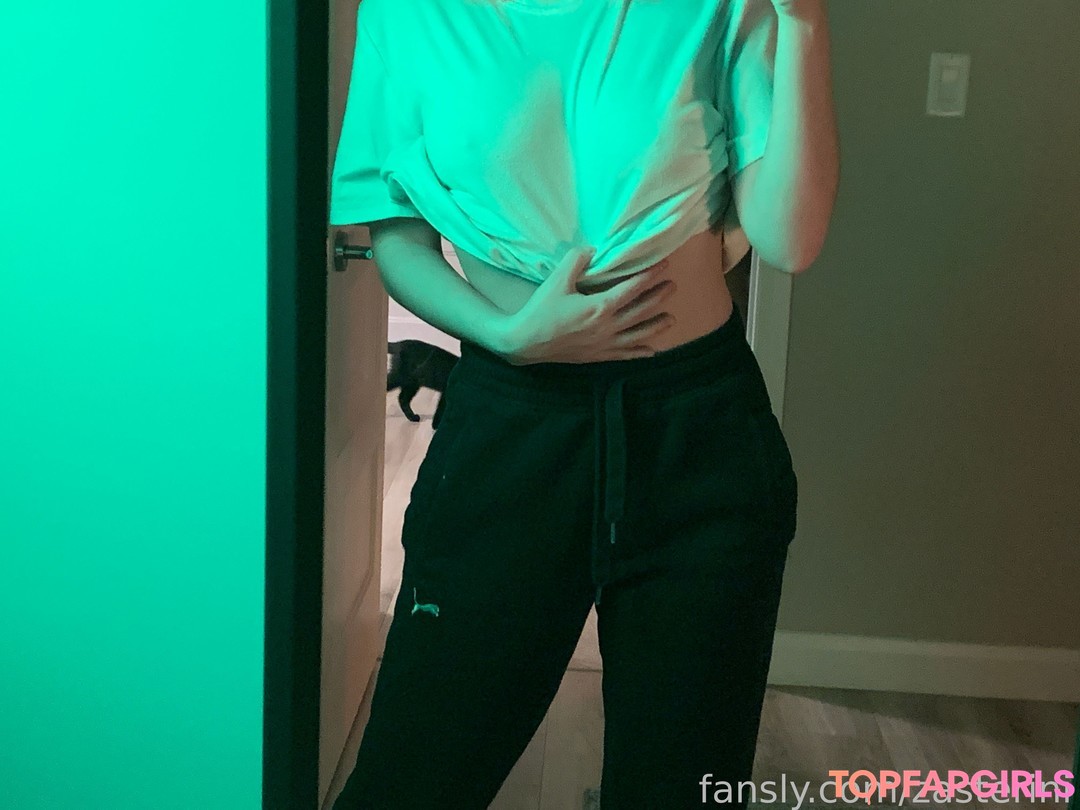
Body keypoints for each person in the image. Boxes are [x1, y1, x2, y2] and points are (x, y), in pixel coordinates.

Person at [328, 0, 838, 806]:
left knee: (680, 787)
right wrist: (509, 334)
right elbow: (396, 237)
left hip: (697, 432)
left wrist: (805, 28)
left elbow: (790, 241)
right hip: (509, 429)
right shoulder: (409, 12)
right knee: (411, 779)